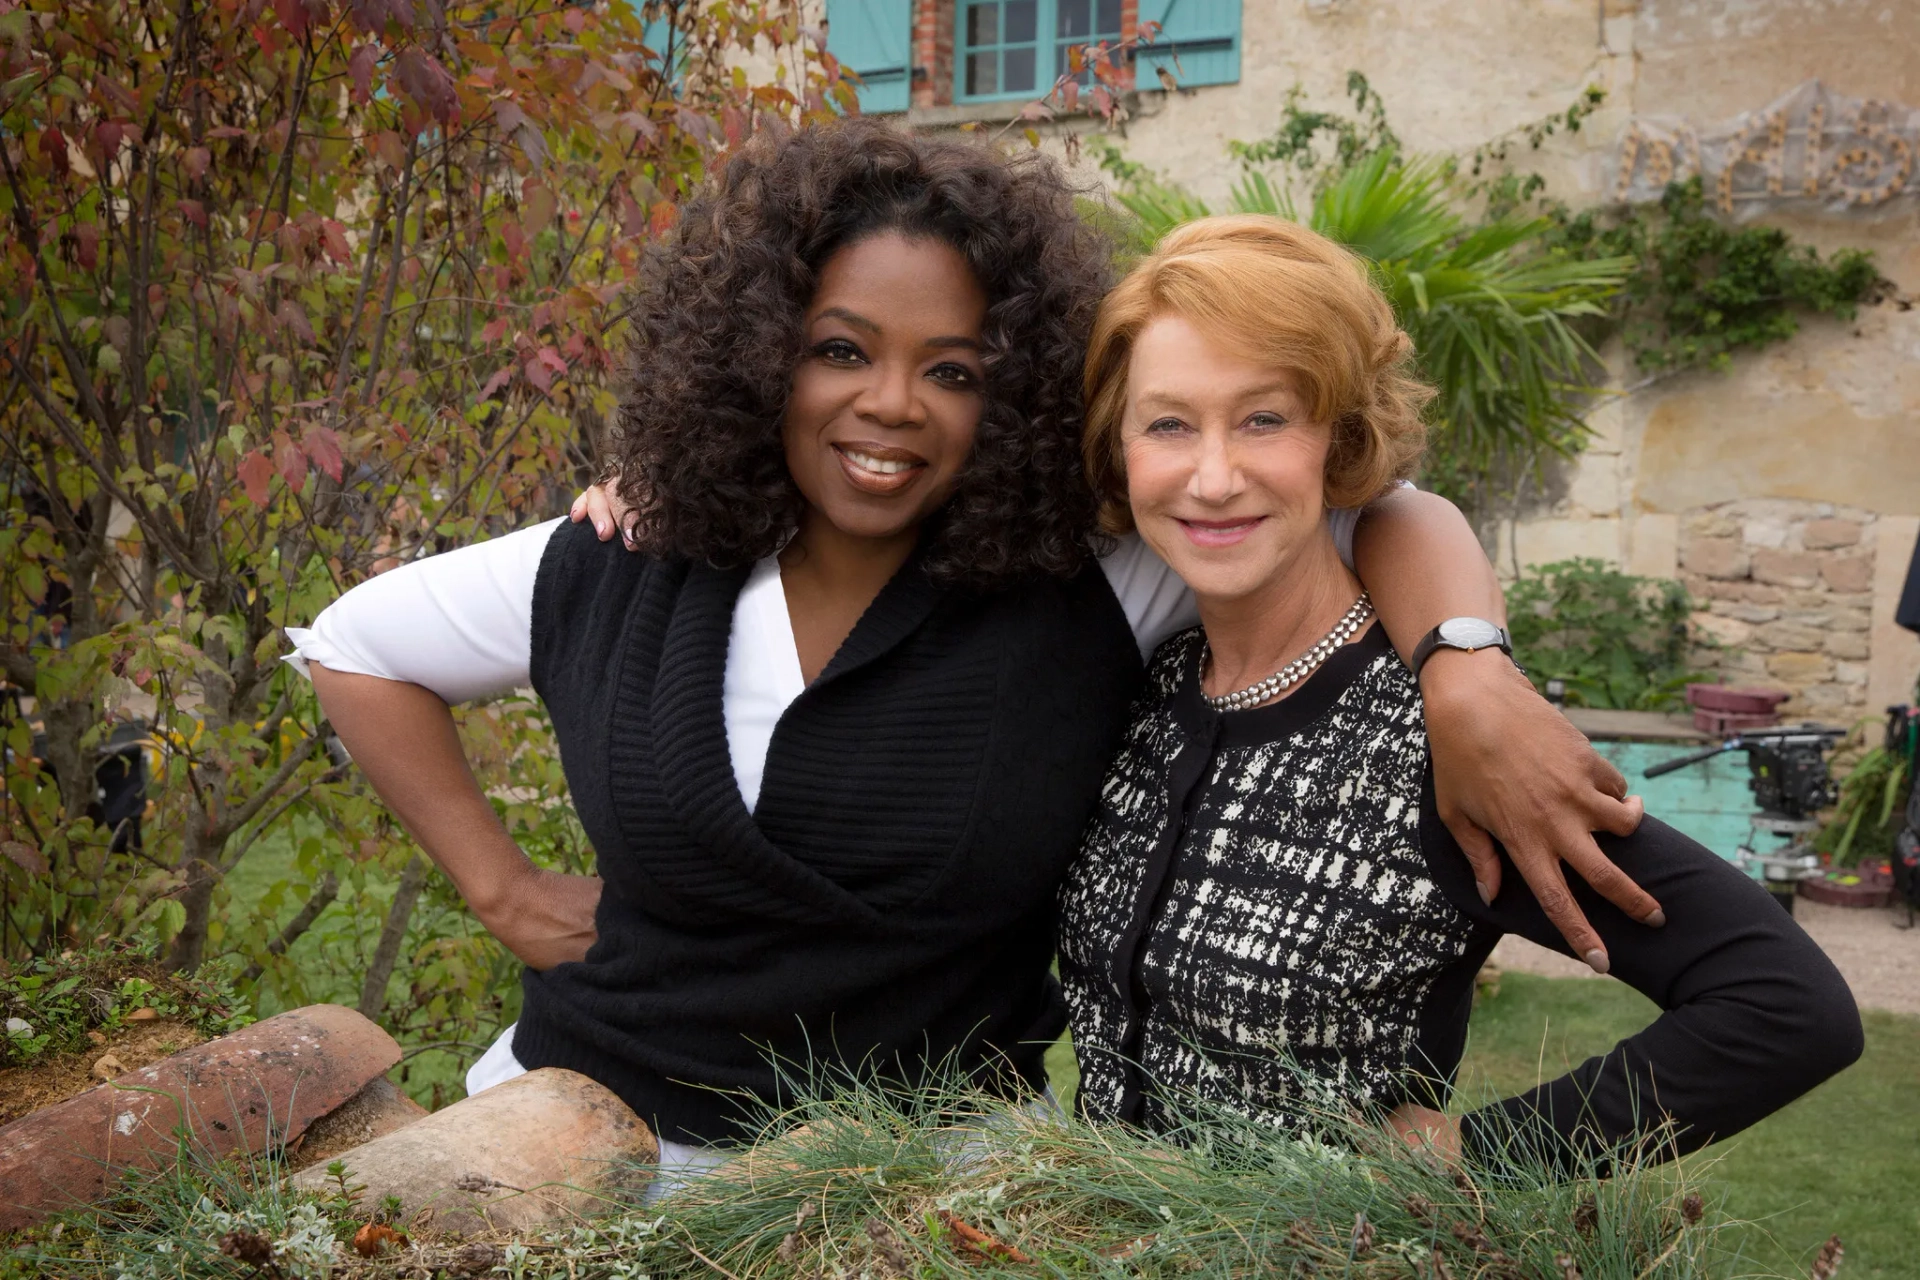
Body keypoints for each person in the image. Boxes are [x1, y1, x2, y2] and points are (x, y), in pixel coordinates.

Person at [292, 120, 1657, 1179]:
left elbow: (1383, 509)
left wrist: (1467, 668)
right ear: (761, 356)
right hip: (570, 1142)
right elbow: (353, 643)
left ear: (1010, 388)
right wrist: (503, 888)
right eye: (841, 351)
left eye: (952, 369)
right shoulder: (624, 560)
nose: (891, 406)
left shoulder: (1091, 585)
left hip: (918, 1185)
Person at [1057, 214, 1863, 1172]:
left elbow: (1783, 1005)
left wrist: (1485, 1158)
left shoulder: (1438, 741)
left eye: (1266, 418)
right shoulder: (1150, 691)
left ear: (1342, 442)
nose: (1214, 474)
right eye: (1168, 424)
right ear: (1120, 447)